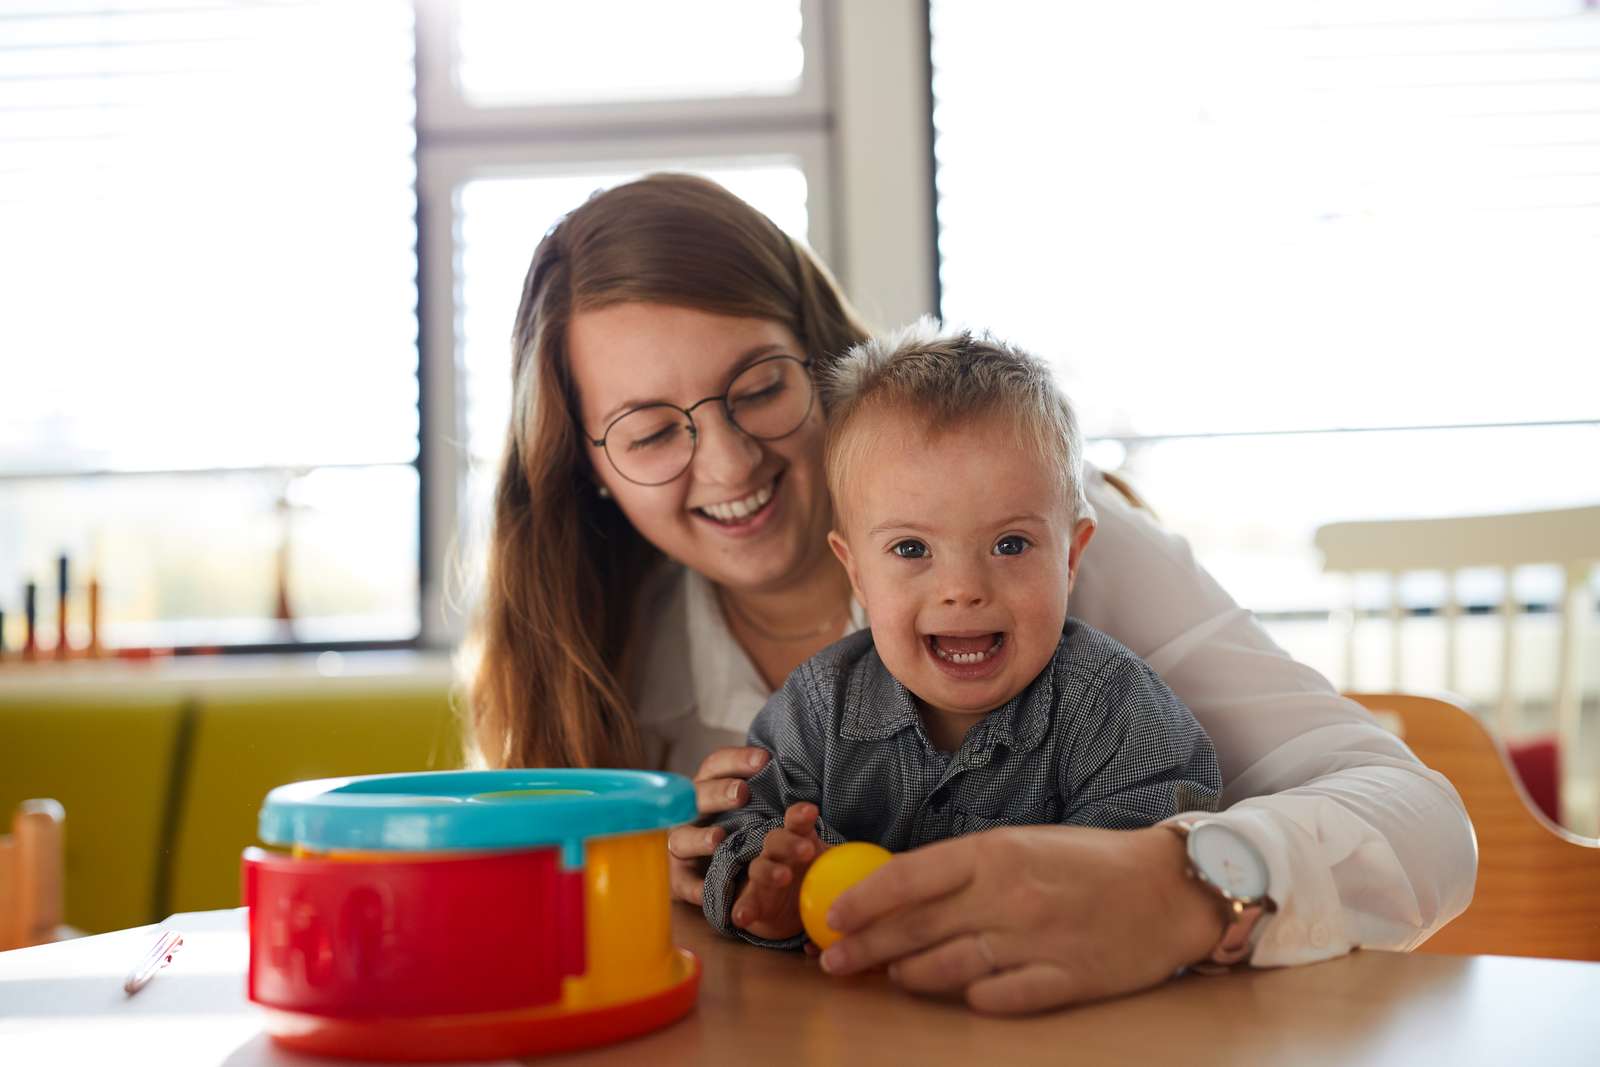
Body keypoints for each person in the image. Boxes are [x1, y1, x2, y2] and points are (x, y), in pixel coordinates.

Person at [462, 172, 1475, 1014]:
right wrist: (650, 879)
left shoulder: (1046, 542)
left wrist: (1183, 884)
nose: (728, 461)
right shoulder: (600, 647)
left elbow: (1424, 823)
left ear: (826, 366)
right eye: (649, 431)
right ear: (586, 469)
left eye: (761, 385)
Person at [702, 323, 1222, 946]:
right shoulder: (816, 708)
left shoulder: (1116, 709)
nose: (962, 588)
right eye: (911, 548)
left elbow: (1165, 855)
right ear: (857, 572)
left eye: (1010, 545)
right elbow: (742, 827)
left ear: (1070, 557)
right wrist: (770, 881)